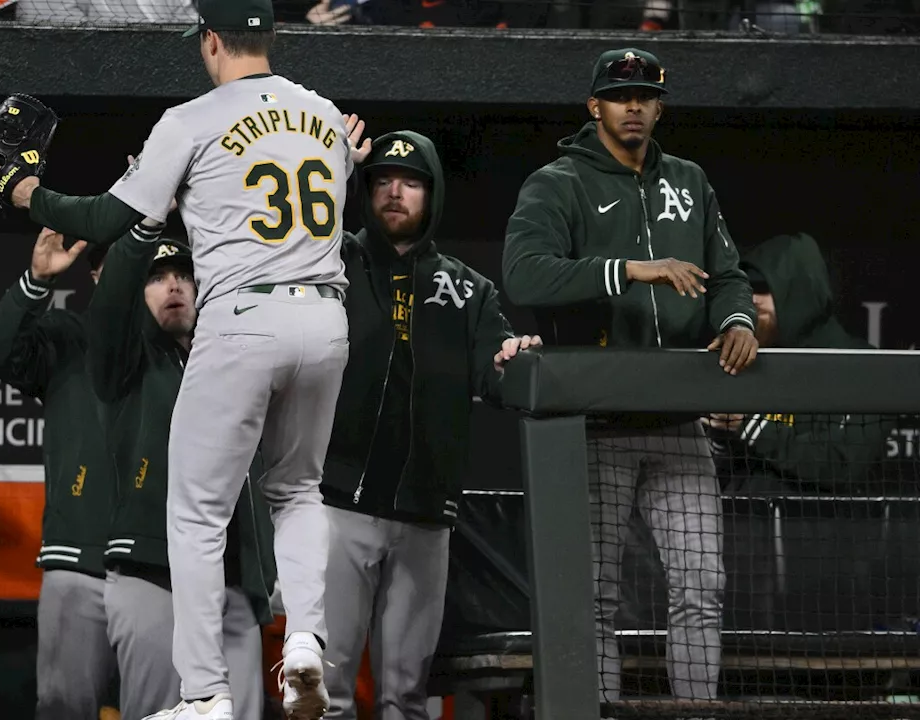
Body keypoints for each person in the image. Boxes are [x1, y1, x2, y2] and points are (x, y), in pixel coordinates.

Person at [0, 0, 365, 715]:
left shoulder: (193, 118)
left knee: (195, 514)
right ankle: (309, 640)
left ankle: (203, 694)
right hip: (323, 317)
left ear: (210, 40)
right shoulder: (323, 113)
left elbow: (106, 220)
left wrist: (25, 189)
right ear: (273, 35)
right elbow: (338, 171)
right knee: (299, 493)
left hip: (243, 312)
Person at [501, 47, 760, 708]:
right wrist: (627, 269)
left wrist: (737, 320)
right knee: (593, 599)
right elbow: (526, 272)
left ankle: (697, 712)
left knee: (702, 584)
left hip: (679, 421)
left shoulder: (689, 180)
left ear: (659, 105)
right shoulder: (559, 182)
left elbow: (727, 272)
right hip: (599, 422)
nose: (635, 106)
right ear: (595, 107)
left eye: (646, 95)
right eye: (621, 96)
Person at [317, 128, 539, 719]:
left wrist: (512, 357)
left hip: (425, 515)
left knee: (406, 696)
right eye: (383, 180)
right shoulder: (333, 258)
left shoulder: (468, 288)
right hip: (340, 502)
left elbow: (497, 373)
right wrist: (336, 169)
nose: (395, 192)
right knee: (326, 694)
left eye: (411, 182)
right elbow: (294, 231)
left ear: (432, 193)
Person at [84, 215, 276, 720]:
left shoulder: (234, 362)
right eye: (156, 276)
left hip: (232, 581)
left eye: (184, 274)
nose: (173, 284)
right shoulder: (129, 362)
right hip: (153, 574)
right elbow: (108, 315)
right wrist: (142, 222)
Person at [0, 228, 120, 720]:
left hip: (163, 570)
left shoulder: (189, 351)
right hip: (79, 561)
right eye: (108, 263)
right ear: (95, 275)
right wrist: (36, 281)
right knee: (63, 709)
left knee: (163, 708)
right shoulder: (67, 335)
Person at [704, 232, 896, 493]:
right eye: (745, 289)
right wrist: (720, 440)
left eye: (762, 287)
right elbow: (714, 482)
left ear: (797, 290)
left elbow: (845, 467)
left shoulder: (866, 368)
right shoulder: (742, 366)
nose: (751, 299)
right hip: (745, 526)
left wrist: (750, 426)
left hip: (832, 529)